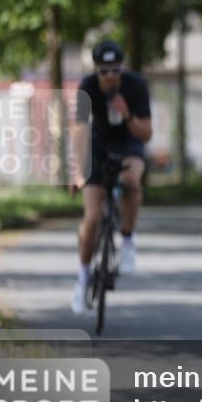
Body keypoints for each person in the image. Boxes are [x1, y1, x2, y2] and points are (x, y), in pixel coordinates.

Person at [69, 40, 153, 314]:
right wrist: (76, 171)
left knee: (130, 182)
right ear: (96, 71)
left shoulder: (136, 86)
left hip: (129, 144)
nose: (110, 76)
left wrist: (127, 114)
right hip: (98, 146)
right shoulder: (87, 87)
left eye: (115, 69)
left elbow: (147, 133)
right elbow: (79, 131)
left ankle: (127, 238)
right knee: (92, 218)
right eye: (103, 71)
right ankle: (83, 279)